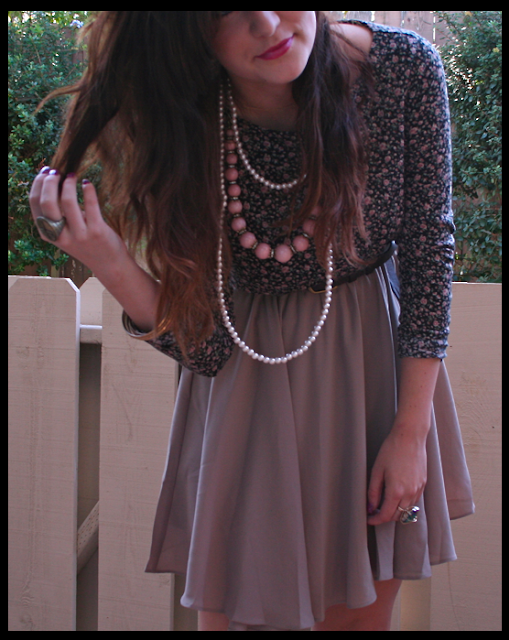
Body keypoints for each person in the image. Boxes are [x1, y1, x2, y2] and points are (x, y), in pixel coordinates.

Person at [29, 12, 474, 632]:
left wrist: (409, 433)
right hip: (245, 386)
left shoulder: (402, 69)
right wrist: (106, 257)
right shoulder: (188, 117)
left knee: (357, 623)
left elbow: (429, 251)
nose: (266, 23)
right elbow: (208, 351)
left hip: (370, 379)